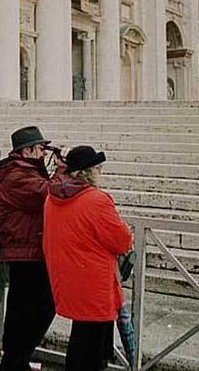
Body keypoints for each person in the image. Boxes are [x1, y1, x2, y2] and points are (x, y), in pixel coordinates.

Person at [44, 146, 132, 370]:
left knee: (81, 340)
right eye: (98, 168)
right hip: (95, 285)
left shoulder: (52, 197)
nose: (100, 172)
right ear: (89, 171)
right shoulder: (96, 200)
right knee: (91, 350)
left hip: (68, 278)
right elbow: (122, 241)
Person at [0, 126, 63, 371]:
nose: (44, 153)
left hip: (26, 249)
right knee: (43, 306)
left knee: (23, 308)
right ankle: (14, 360)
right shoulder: (17, 176)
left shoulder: (23, 170)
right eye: (41, 149)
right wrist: (63, 169)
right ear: (27, 150)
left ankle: (14, 361)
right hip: (26, 250)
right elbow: (49, 193)